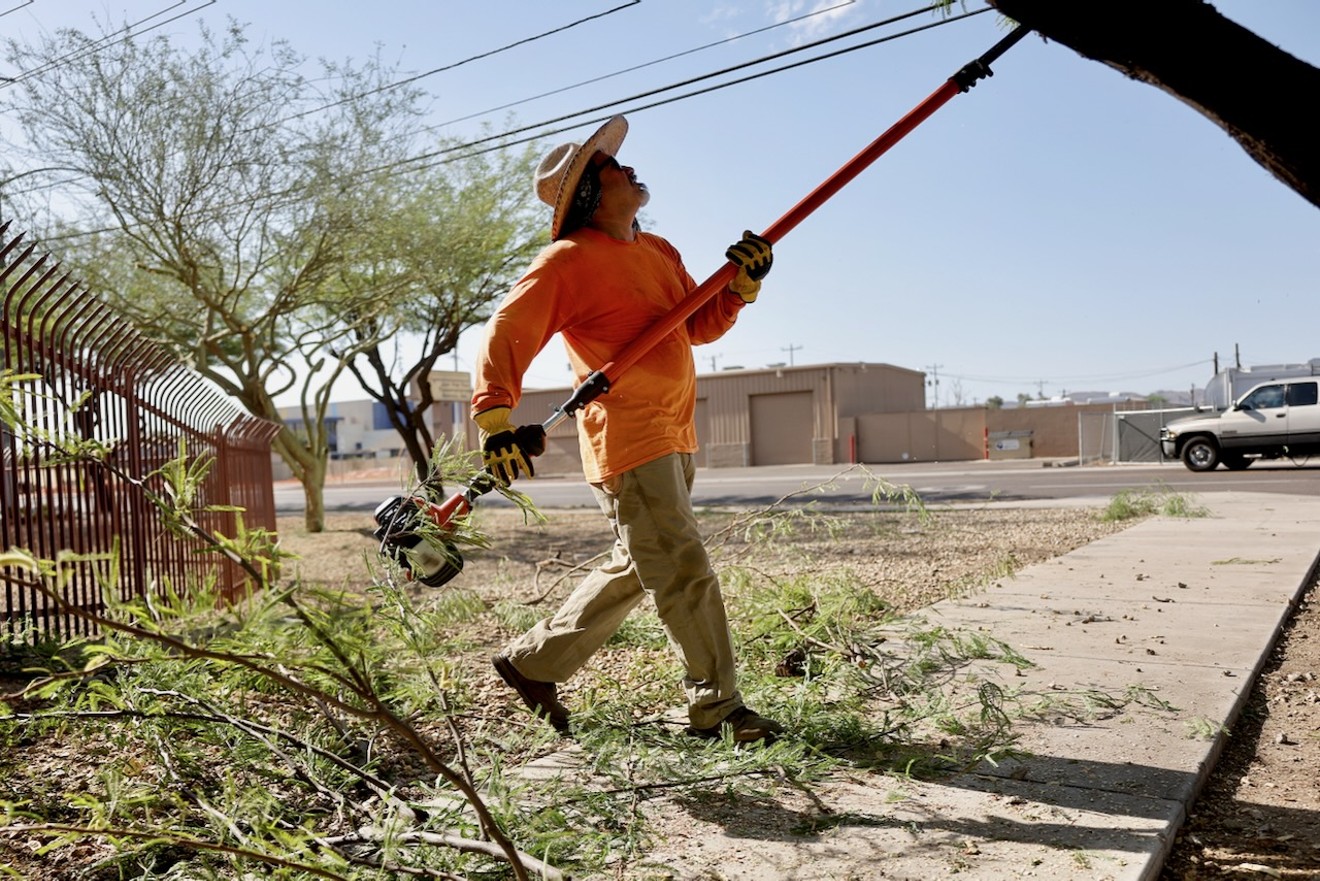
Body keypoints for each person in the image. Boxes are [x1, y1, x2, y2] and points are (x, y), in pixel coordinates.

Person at [470, 115, 783, 743]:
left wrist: (742, 286)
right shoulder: (567, 261)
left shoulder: (658, 251)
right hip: (630, 438)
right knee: (682, 566)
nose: (627, 168)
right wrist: (495, 420)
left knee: (643, 562)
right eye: (611, 166)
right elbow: (507, 330)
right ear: (588, 191)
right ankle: (717, 708)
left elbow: (695, 326)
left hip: (673, 431)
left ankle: (533, 664)